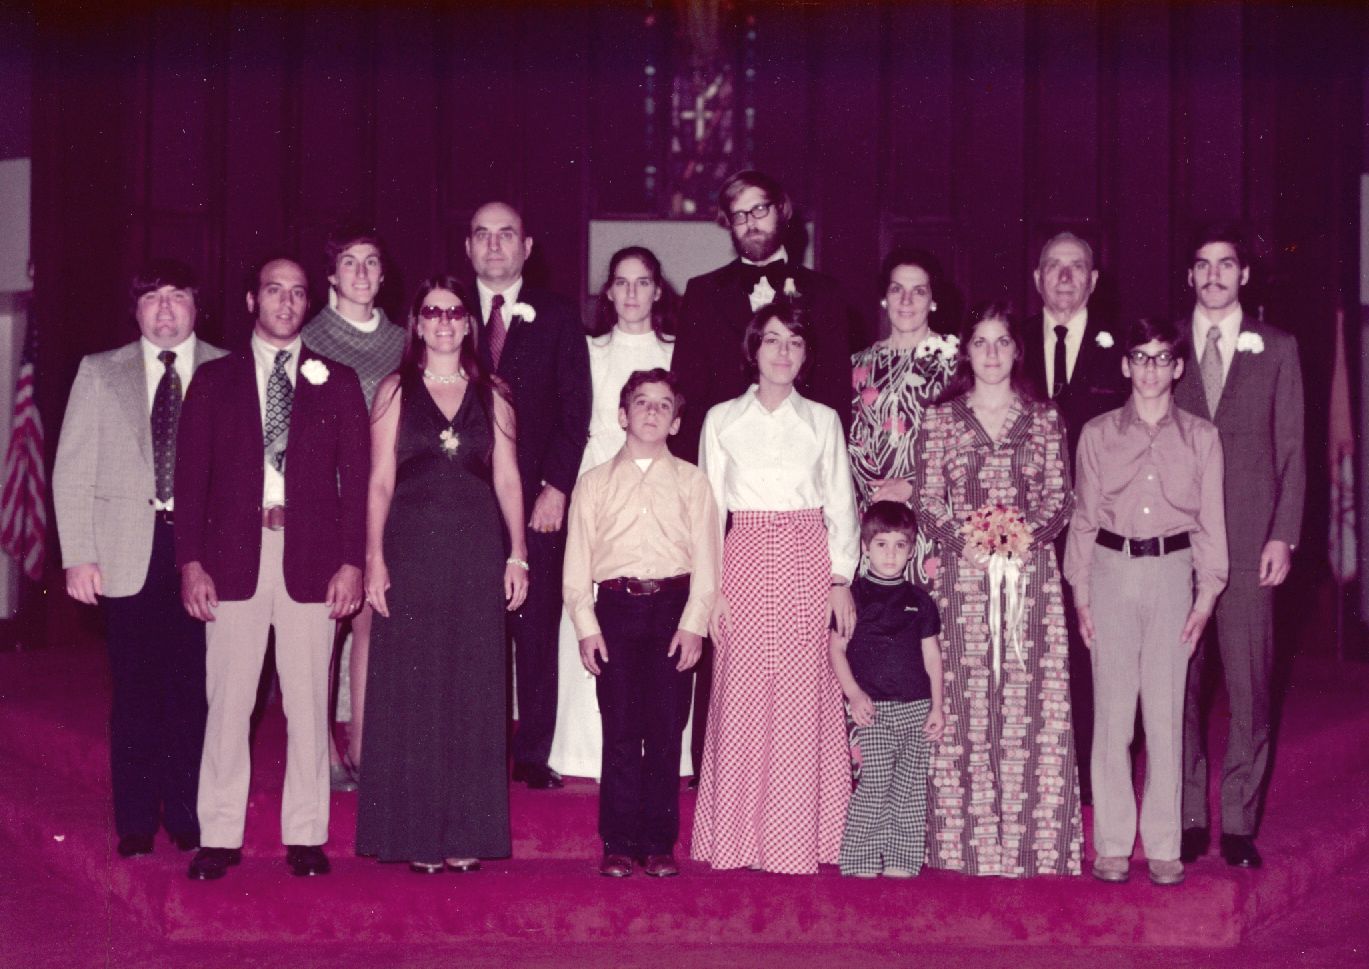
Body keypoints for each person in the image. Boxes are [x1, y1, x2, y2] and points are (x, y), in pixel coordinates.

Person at [177, 256, 369, 881]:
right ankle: (218, 833)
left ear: (308, 303)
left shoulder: (337, 381)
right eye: (273, 291)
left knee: (309, 702)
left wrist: (352, 562)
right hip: (232, 558)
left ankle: (306, 834)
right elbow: (190, 481)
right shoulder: (214, 380)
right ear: (251, 300)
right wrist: (190, 563)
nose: (286, 302)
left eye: (297, 293)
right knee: (229, 700)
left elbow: (358, 483)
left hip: (312, 560)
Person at [671, 169, 865, 779]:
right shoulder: (702, 292)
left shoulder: (826, 294)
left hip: (802, 505)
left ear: (782, 213)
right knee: (733, 669)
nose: (751, 223)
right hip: (737, 509)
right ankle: (721, 784)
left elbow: (834, 399)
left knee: (803, 678)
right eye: (739, 214)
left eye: (760, 210)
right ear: (727, 224)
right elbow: (688, 404)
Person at [52, 258, 227, 859]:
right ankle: (134, 819)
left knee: (194, 687)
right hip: (126, 549)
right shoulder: (101, 371)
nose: (165, 308)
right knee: (134, 690)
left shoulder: (228, 368)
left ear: (197, 307)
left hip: (204, 555)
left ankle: (186, 812)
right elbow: (72, 469)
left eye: (177, 296)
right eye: (152, 297)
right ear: (136, 309)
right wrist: (79, 554)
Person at [356, 276, 527, 874]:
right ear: (418, 323)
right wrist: (374, 558)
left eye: (455, 312)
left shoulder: (494, 394)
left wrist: (518, 554)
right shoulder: (393, 390)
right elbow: (380, 481)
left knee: (473, 687)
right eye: (433, 312)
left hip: (477, 550)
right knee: (416, 688)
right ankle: (416, 835)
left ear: (468, 323)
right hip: (411, 550)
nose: (445, 322)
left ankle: (465, 833)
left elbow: (508, 478)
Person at [690, 298, 859, 875]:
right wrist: (711, 592)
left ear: (806, 355)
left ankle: (800, 841)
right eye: (772, 340)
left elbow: (841, 506)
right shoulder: (722, 420)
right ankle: (737, 840)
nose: (783, 352)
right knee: (741, 694)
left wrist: (840, 579)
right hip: (742, 561)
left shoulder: (823, 421)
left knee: (801, 697)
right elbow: (709, 512)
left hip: (808, 560)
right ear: (754, 349)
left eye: (795, 342)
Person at [913, 301, 1081, 877]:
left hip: (1030, 576)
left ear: (1016, 349)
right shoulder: (939, 417)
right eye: (980, 342)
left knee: (1030, 698)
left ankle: (1032, 845)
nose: (990, 353)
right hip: (963, 575)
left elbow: (1061, 496)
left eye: (1001, 342)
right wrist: (967, 540)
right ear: (966, 351)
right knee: (964, 698)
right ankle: (965, 846)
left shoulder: (1044, 417)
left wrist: (1021, 538)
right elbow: (926, 498)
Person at [1065, 317, 1228, 887]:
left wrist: (1205, 599)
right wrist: (1081, 594)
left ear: (1178, 367)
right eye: (1141, 357)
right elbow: (1084, 519)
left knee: (1165, 714)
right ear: (1126, 364)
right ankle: (1112, 843)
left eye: (1162, 358)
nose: (1151, 368)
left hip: (1172, 574)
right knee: (1113, 716)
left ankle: (1162, 843)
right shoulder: (1097, 434)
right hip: (1111, 571)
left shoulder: (1202, 438)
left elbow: (1211, 523)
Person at [1174, 224, 1304, 870]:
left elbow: (1292, 448)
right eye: (1202, 265)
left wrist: (1283, 533)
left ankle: (1238, 821)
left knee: (1249, 681)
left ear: (1244, 275)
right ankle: (1189, 816)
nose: (1213, 275)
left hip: (1252, 538)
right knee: (1180, 680)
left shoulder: (1276, 347)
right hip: (1179, 542)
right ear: (1189, 276)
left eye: (1225, 264)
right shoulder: (1166, 346)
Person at [563, 369, 720, 878]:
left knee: (667, 728)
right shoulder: (593, 485)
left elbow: (708, 562)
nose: (652, 411)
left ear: (676, 422)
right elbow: (576, 565)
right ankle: (619, 842)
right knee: (621, 730)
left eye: (664, 405)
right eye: (642, 402)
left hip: (673, 611)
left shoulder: (693, 483)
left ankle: (657, 843)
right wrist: (587, 626)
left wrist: (694, 624)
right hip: (616, 610)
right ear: (622, 415)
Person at [467, 201, 591, 791]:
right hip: (463, 504)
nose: (494, 246)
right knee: (475, 633)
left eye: (506, 234)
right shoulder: (445, 310)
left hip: (537, 501)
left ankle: (533, 753)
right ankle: (480, 751)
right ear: (469, 246)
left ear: (527, 246)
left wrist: (557, 487)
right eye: (483, 235)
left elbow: (575, 409)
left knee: (536, 629)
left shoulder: (560, 315)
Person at [549, 246, 683, 780]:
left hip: (657, 491)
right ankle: (584, 751)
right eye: (621, 282)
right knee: (589, 603)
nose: (631, 293)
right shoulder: (587, 350)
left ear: (657, 290)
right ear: (607, 291)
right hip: (598, 486)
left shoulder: (675, 350)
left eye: (642, 282)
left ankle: (662, 753)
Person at [1021, 232, 1127, 806]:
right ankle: (1032, 769)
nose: (1064, 277)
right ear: (1038, 278)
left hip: (1098, 525)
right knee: (1028, 648)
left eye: (1077, 266)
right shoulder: (1008, 342)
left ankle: (1087, 775)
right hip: (1023, 528)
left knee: (1092, 649)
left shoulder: (1122, 347)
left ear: (1093, 280)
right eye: (1054, 266)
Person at [301, 224, 406, 791]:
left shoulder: (403, 340)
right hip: (328, 501)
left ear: (383, 274)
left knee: (371, 622)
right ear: (331, 275)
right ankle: (321, 752)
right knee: (325, 629)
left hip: (385, 499)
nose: (361, 272)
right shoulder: (309, 336)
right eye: (349, 262)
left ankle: (364, 748)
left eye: (370, 262)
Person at [830, 501, 944, 879]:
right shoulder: (854, 597)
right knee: (875, 783)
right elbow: (836, 649)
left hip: (917, 707)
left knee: (909, 788)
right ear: (865, 547)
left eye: (899, 545)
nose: (890, 554)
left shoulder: (920, 600)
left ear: (911, 550)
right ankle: (860, 858)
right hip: (873, 709)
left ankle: (901, 859)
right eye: (881, 544)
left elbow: (932, 656)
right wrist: (854, 694)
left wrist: (937, 707)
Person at [848, 247, 959, 584]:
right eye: (897, 289)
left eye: (919, 291)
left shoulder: (957, 361)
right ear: (885, 297)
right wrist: (875, 493)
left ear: (933, 300)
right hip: (874, 520)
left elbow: (967, 445)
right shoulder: (859, 364)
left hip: (933, 516)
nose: (906, 300)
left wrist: (913, 485)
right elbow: (850, 439)